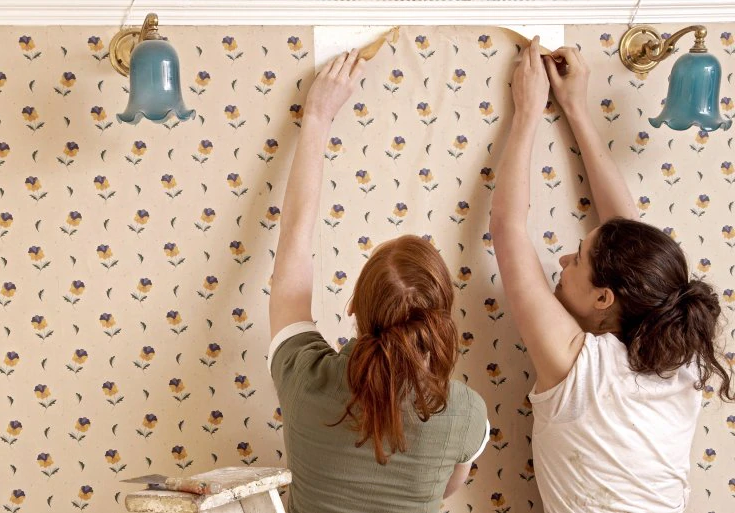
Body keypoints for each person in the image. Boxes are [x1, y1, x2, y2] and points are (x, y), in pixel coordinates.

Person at [490, 37, 733, 513]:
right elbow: (629, 234)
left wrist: (526, 115)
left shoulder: (580, 368)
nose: (561, 262)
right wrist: (576, 110)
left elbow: (507, 230)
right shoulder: (675, 361)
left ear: (605, 298)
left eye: (576, 259)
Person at [268, 49, 488, 513]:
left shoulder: (302, 377)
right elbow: (448, 489)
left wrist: (317, 118)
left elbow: (294, 240)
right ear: (440, 318)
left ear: (353, 307)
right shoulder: (467, 413)